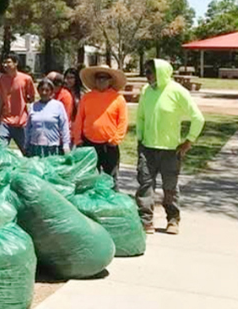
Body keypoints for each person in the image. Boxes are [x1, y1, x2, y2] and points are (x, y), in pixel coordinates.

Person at [136, 59, 205, 235]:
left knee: (170, 188)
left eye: (150, 72)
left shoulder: (177, 91)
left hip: (170, 150)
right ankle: (146, 221)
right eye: (146, 72)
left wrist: (189, 140)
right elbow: (141, 117)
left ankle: (173, 220)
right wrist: (140, 138)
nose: (147, 76)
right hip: (147, 148)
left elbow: (198, 117)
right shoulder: (146, 91)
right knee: (145, 185)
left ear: (160, 72)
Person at [73, 65, 129, 188]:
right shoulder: (87, 98)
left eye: (104, 78)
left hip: (109, 145)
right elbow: (79, 119)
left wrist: (115, 140)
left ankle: (113, 203)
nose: (101, 80)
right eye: (98, 77)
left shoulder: (118, 99)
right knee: (89, 177)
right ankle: (92, 204)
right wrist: (78, 139)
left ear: (110, 80)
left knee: (111, 178)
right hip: (89, 143)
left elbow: (123, 121)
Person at [0, 53, 36, 153]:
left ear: (16, 63)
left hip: (21, 121)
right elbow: (1, 99)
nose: (5, 65)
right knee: (1, 150)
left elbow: (31, 97)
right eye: (4, 62)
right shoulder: (0, 79)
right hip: (5, 121)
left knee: (26, 151)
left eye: (8, 62)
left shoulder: (26, 79)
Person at [25, 78, 71, 157]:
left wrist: (66, 144)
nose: (44, 92)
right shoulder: (33, 106)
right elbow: (28, 128)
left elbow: (64, 126)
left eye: (47, 90)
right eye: (42, 90)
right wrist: (26, 144)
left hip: (52, 147)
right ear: (38, 91)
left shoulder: (58, 106)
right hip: (35, 146)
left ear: (51, 92)